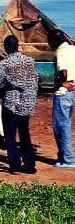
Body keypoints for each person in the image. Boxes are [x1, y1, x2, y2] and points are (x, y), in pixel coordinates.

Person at [0, 35, 39, 174]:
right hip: (27, 103)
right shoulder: (30, 61)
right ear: (17, 46)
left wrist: (4, 87)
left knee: (10, 136)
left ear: (6, 47)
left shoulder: (5, 63)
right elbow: (35, 80)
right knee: (25, 134)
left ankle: (15, 166)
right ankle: (30, 165)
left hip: (11, 104)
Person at [48, 29, 75, 168]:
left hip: (62, 93)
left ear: (54, 41)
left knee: (61, 126)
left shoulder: (60, 52)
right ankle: (65, 156)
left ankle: (68, 159)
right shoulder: (72, 48)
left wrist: (63, 82)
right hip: (72, 91)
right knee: (66, 124)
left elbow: (63, 71)